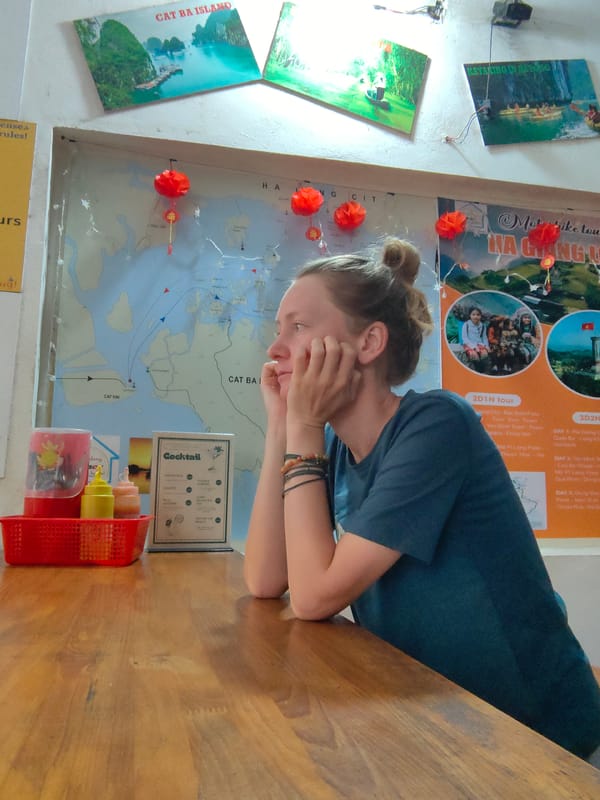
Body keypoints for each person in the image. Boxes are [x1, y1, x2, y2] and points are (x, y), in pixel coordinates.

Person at [243, 237, 600, 761]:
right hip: (451, 732)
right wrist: (281, 425)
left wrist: (301, 424)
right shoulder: (332, 451)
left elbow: (314, 597)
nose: (275, 350)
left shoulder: (436, 423)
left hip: (544, 741)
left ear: (368, 344)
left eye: (298, 327)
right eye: (279, 332)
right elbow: (265, 578)